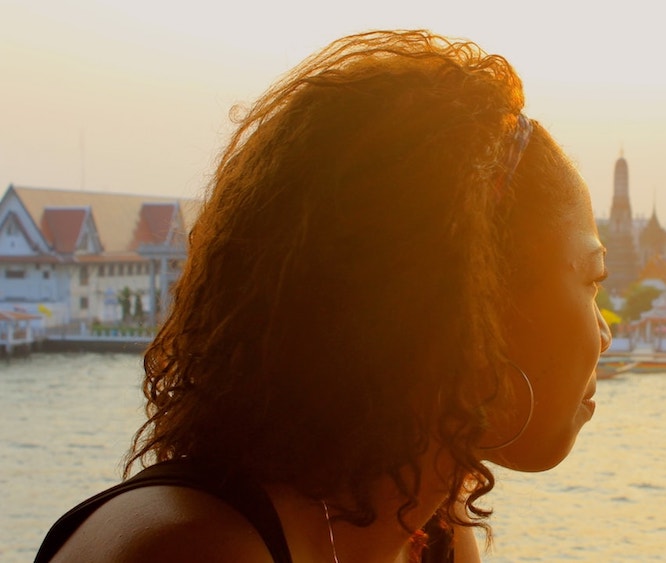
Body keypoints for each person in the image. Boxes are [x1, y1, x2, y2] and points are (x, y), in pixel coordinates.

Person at [35, 29, 611, 562]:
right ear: (474, 300)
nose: (605, 331)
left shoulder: (428, 528)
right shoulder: (193, 549)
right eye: (591, 278)